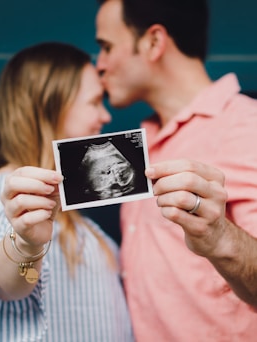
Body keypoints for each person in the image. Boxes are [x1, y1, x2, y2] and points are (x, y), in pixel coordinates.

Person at [95, 0, 257, 340]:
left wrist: (219, 237)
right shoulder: (139, 144)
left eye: (106, 47)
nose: (100, 65)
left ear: (154, 42)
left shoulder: (247, 128)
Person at [0, 41, 133, 342]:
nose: (105, 116)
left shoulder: (66, 210)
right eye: (93, 102)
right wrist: (26, 245)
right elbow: (8, 285)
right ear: (49, 107)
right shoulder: (8, 193)